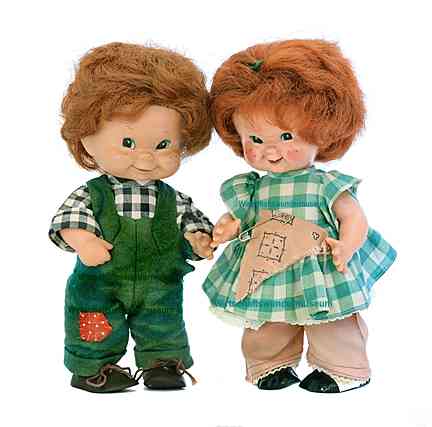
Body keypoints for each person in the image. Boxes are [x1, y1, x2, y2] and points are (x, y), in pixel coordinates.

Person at [203, 39, 396, 393]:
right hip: (267, 265)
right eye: (255, 139)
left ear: (322, 130)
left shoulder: (325, 184)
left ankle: (342, 368)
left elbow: (353, 217)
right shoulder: (253, 188)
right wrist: (228, 227)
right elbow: (243, 217)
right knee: (267, 322)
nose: (270, 151)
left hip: (319, 266)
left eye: (286, 136)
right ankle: (270, 366)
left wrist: (347, 244)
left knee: (332, 322)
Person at [49, 42, 214, 393]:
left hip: (160, 284)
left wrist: (198, 239)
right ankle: (94, 367)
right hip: (100, 283)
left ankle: (162, 363)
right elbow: (69, 219)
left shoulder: (172, 199)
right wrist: (84, 240)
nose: (145, 159)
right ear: (86, 137)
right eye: (127, 143)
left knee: (163, 322)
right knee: (95, 324)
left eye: (163, 146)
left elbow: (192, 221)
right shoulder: (93, 194)